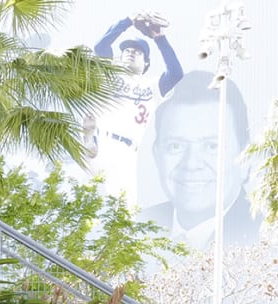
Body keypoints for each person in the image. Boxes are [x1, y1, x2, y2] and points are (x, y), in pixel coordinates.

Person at [144, 72, 260, 250]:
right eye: (175, 146)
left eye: (212, 146)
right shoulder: (134, 232)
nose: (191, 164)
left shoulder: (267, 237)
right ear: (157, 155)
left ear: (245, 157)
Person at [92, 13, 184, 197]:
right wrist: (128, 21)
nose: (131, 52)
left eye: (138, 51)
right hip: (99, 145)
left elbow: (175, 73)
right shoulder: (109, 73)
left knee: (125, 213)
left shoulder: (152, 86)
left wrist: (160, 38)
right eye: (126, 50)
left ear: (146, 63)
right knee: (90, 201)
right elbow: (101, 47)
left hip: (127, 153)